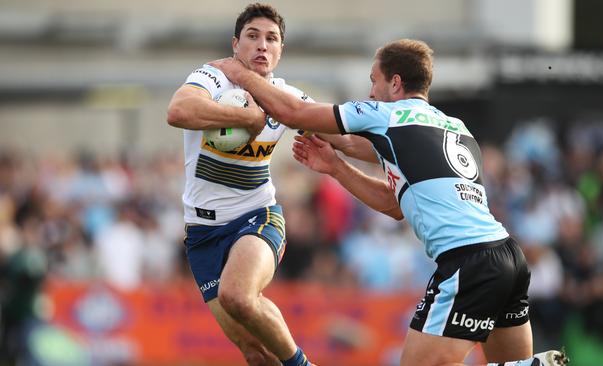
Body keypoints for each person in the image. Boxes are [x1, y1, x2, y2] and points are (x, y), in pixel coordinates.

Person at [212, 39, 569, 366]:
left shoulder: (388, 115)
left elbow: (295, 113)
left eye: (374, 80)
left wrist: (241, 74)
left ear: (395, 83)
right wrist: (336, 167)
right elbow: (394, 203)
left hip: (469, 262)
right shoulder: (453, 126)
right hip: (508, 257)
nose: (370, 91)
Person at [166, 3, 316, 366]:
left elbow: (341, 135)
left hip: (257, 216)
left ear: (280, 51)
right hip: (202, 233)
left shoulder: (286, 97)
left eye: (271, 39)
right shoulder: (214, 77)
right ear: (235, 45)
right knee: (255, 353)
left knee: (238, 295)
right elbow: (178, 112)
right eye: (252, 36)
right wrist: (247, 116)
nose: (262, 45)